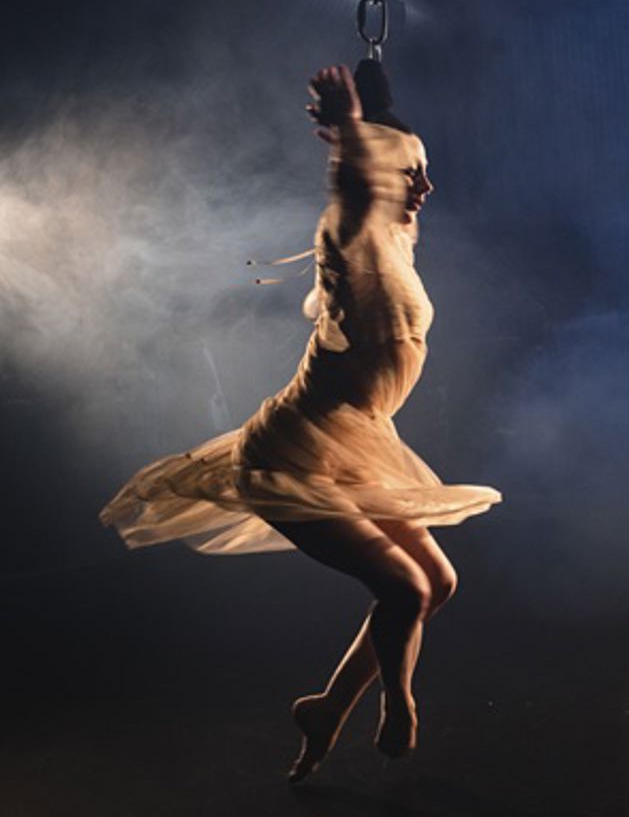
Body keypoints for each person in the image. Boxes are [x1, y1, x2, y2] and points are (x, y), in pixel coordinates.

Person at [98, 61, 502, 782]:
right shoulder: (350, 237)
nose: (424, 186)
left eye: (422, 171)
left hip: (353, 443)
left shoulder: (395, 242)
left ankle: (325, 710)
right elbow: (351, 190)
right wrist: (349, 133)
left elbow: (383, 187)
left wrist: (374, 126)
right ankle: (397, 703)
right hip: (291, 453)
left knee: (436, 583)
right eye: (408, 173)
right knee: (405, 589)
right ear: (375, 175)